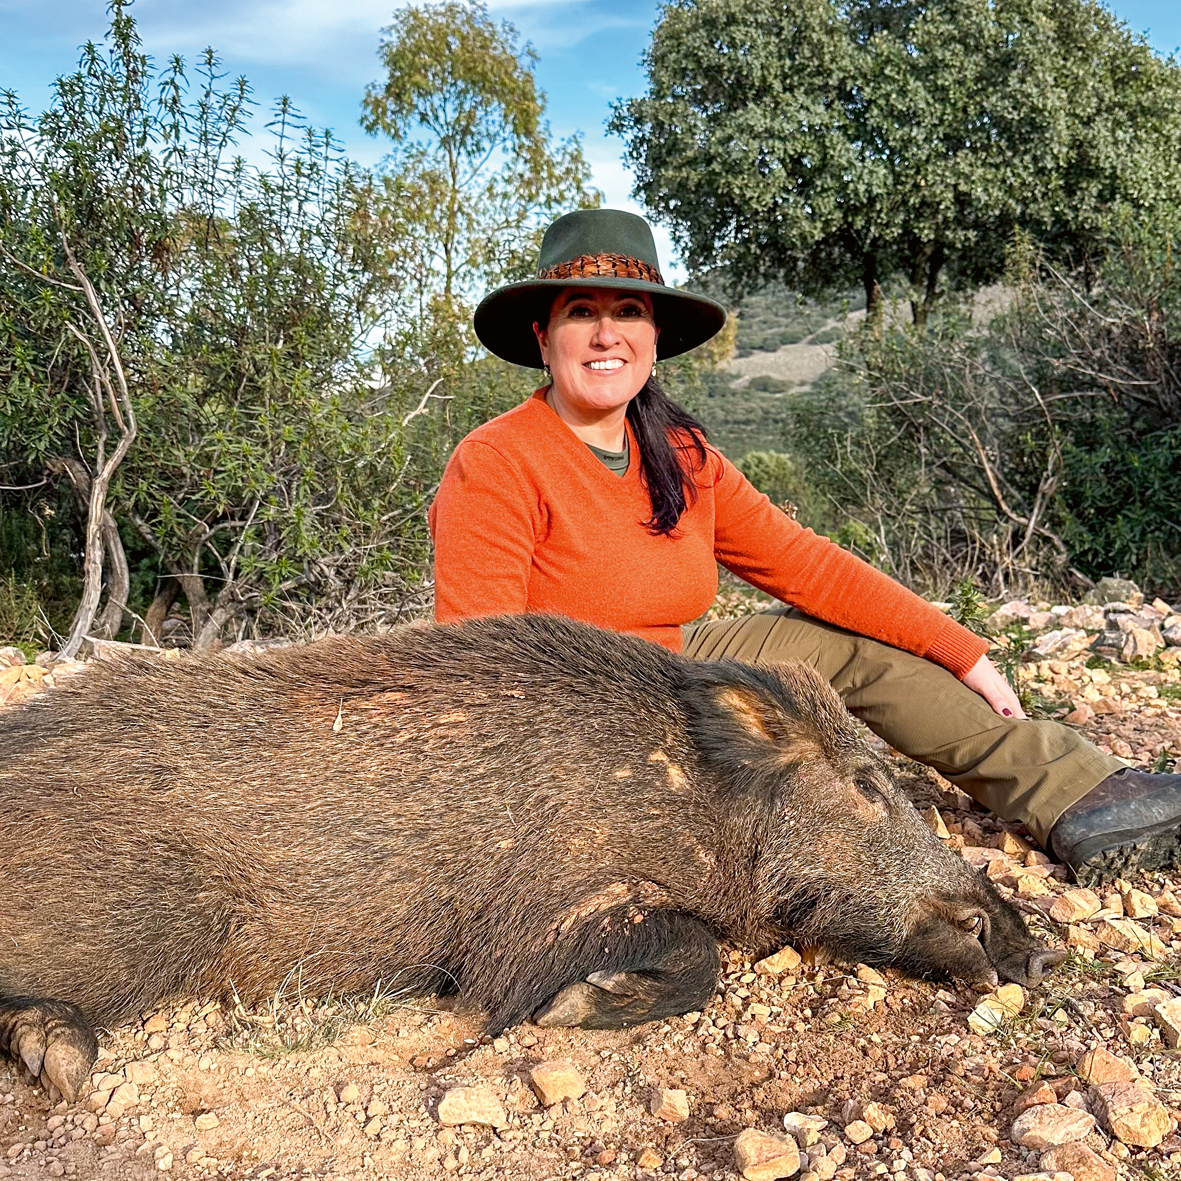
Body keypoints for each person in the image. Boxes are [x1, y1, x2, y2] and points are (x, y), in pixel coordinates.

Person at [429, 207, 1181, 884]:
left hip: (675, 658)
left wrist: (961, 650)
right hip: (584, 712)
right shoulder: (496, 461)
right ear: (543, 337)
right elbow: (480, 669)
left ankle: (1077, 793)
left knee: (850, 643)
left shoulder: (681, 454)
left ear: (653, 338)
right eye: (580, 312)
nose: (606, 334)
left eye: (628, 311)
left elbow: (809, 565)